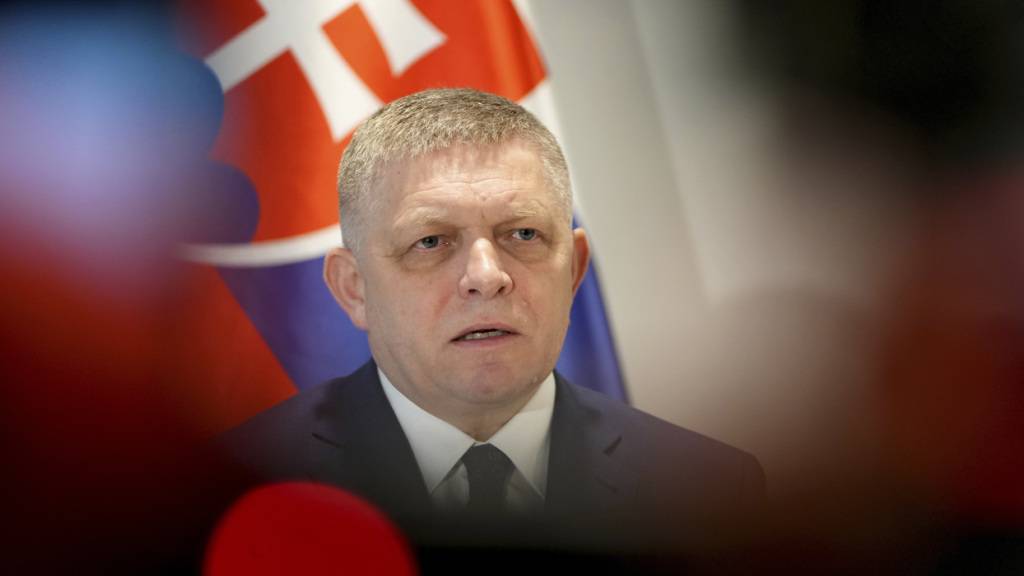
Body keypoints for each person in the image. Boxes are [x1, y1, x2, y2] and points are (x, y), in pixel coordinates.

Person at [218, 88, 765, 556]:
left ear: (573, 269)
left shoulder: (710, 490)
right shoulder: (231, 490)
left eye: (523, 234)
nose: (487, 276)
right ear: (353, 288)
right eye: (430, 242)